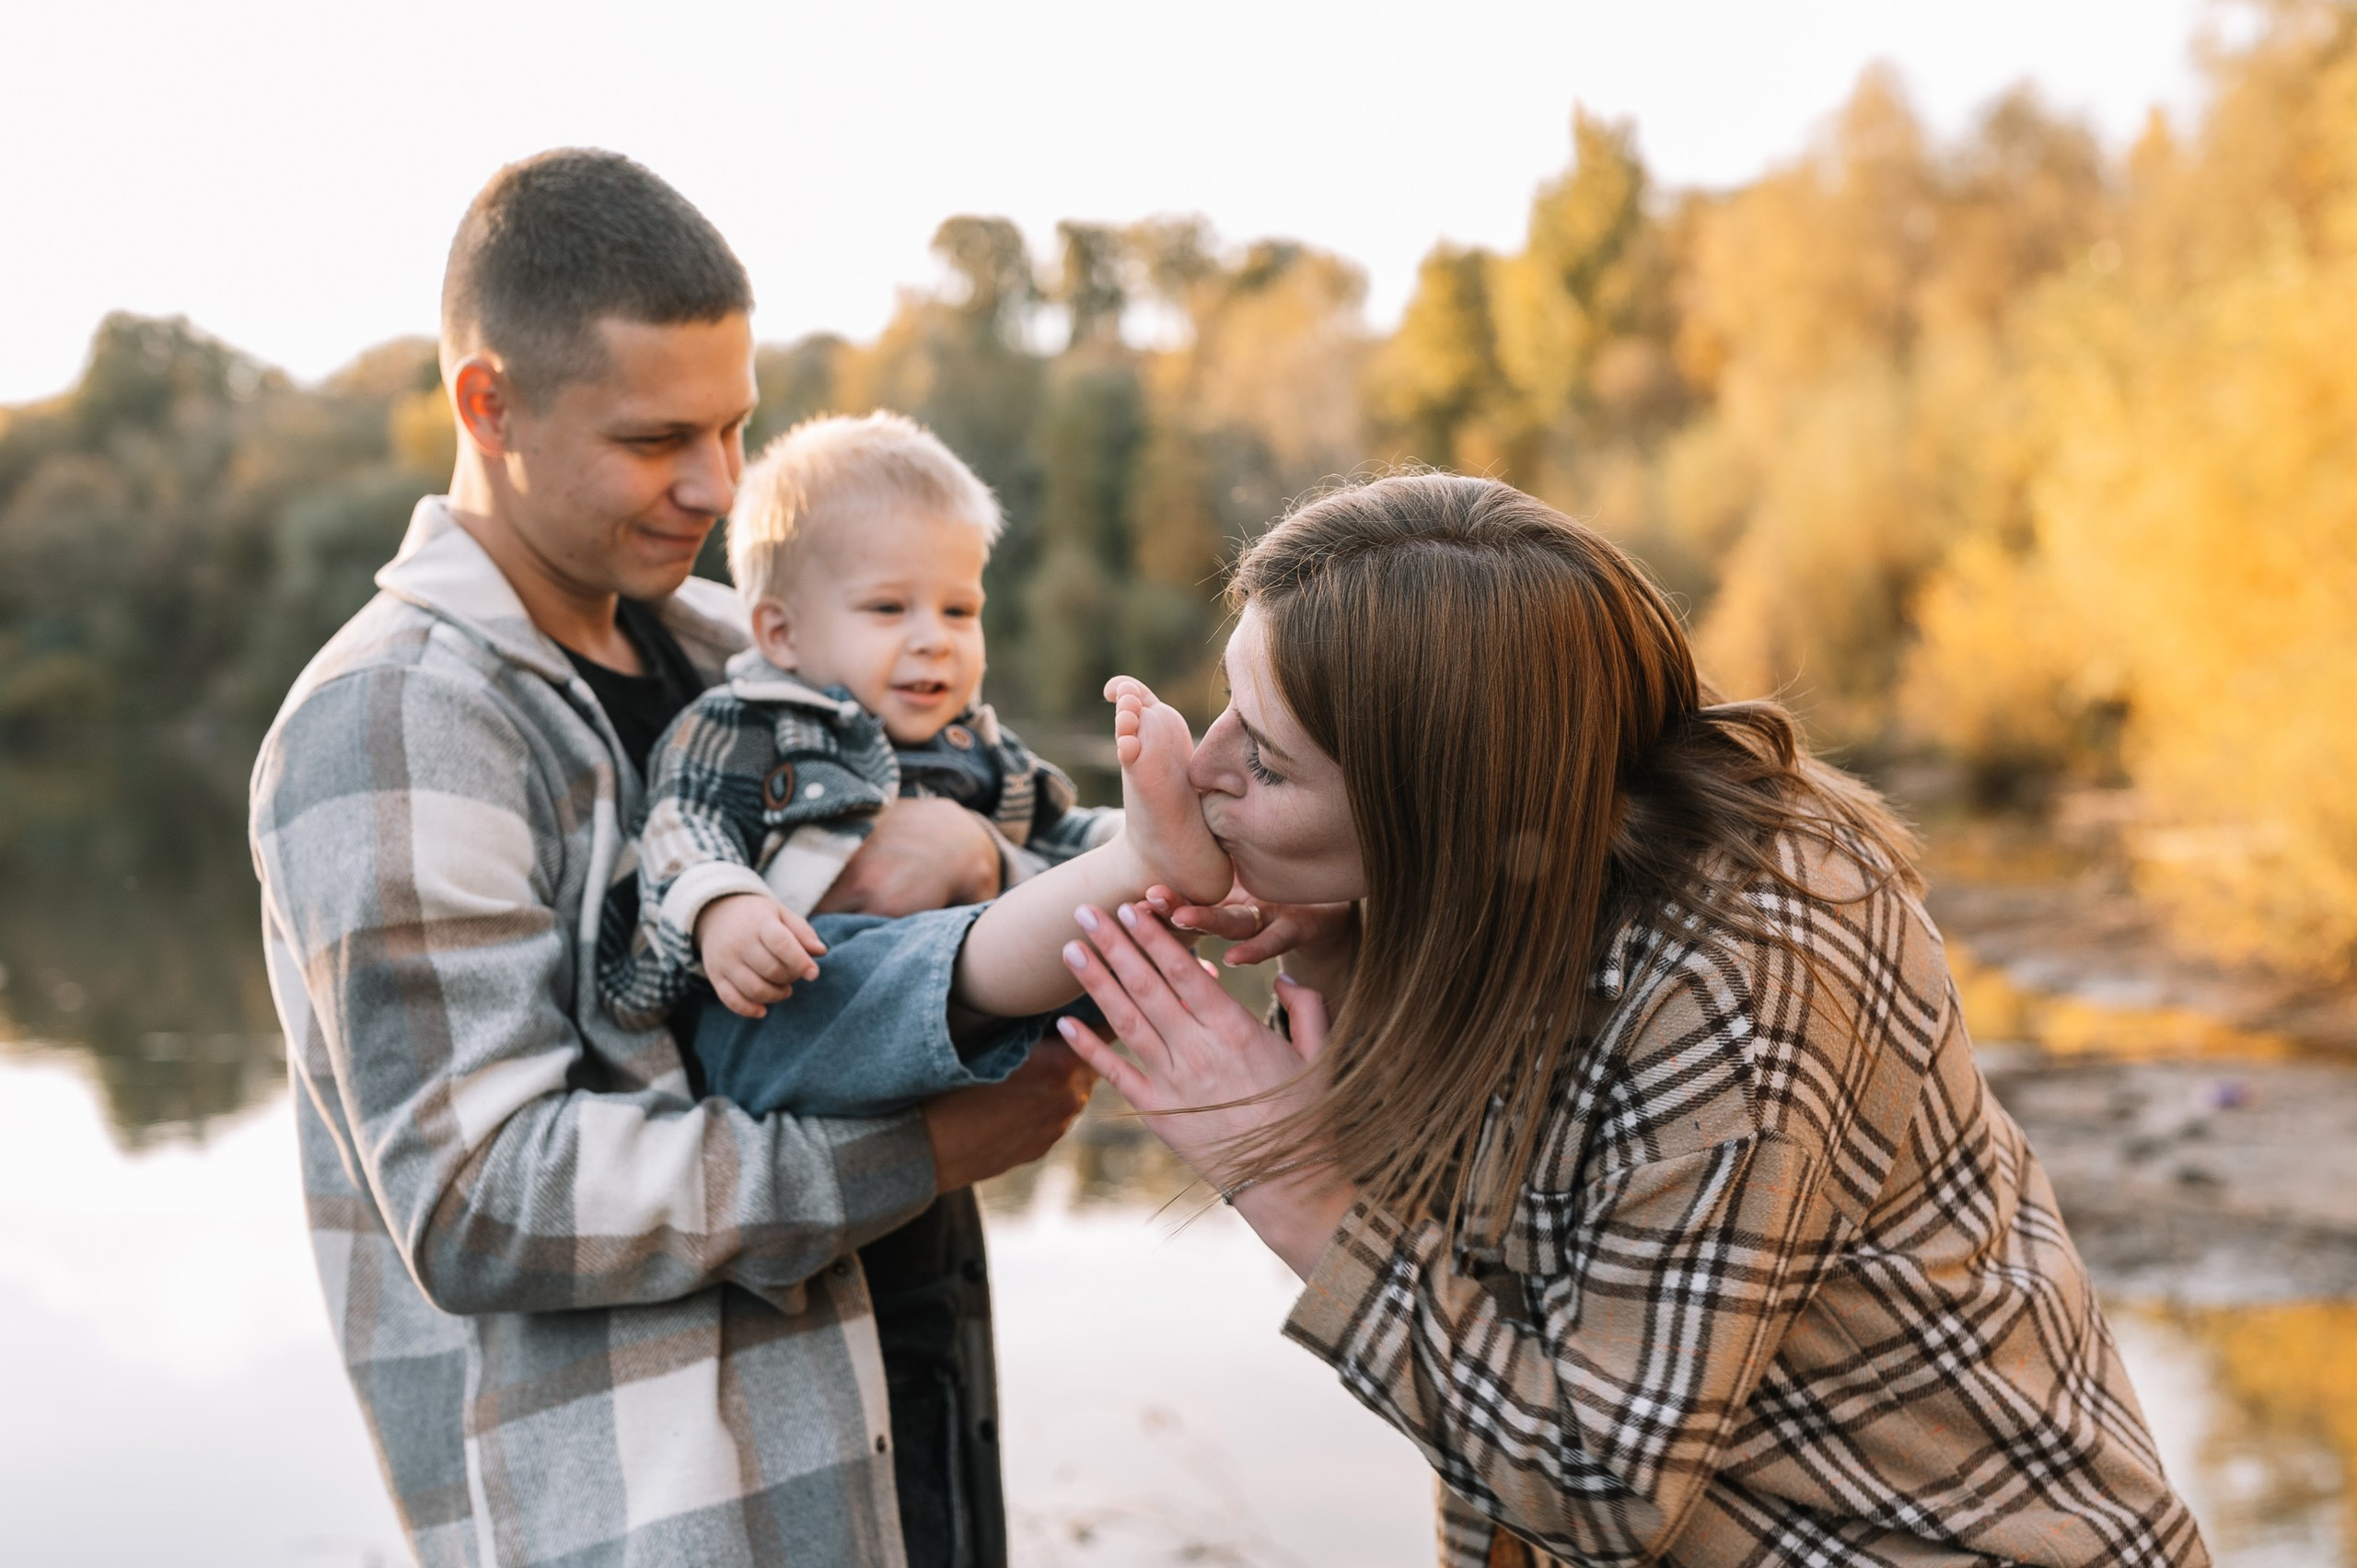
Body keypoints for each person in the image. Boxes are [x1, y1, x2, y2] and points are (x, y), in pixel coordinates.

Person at [1052, 475, 2210, 1568]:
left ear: (1441, 797)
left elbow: (1603, 1483)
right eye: (1224, 710)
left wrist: (1294, 1181)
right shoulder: (1514, 869)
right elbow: (1485, 1267)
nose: (1200, 771)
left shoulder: (1740, 982)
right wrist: (1359, 958)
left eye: (1264, 756)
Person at [250, 148, 1097, 1568]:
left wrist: (992, 866)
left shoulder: (749, 646)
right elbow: (483, 1200)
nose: (716, 483)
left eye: (736, 426)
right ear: (490, 403)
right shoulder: (392, 720)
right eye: (657, 439)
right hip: (669, 1518)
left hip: (908, 1416)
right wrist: (920, 1151)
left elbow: (999, 848)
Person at [600, 409, 1120, 1090]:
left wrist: (1132, 837)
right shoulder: (747, 725)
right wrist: (724, 907)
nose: (935, 638)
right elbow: (681, 826)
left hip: (928, 1014)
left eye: (959, 610)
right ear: (781, 634)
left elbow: (1055, 829)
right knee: (1047, 947)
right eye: (887, 608)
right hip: (777, 1018)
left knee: (1123, 928)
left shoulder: (969, 739)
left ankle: (1160, 899)